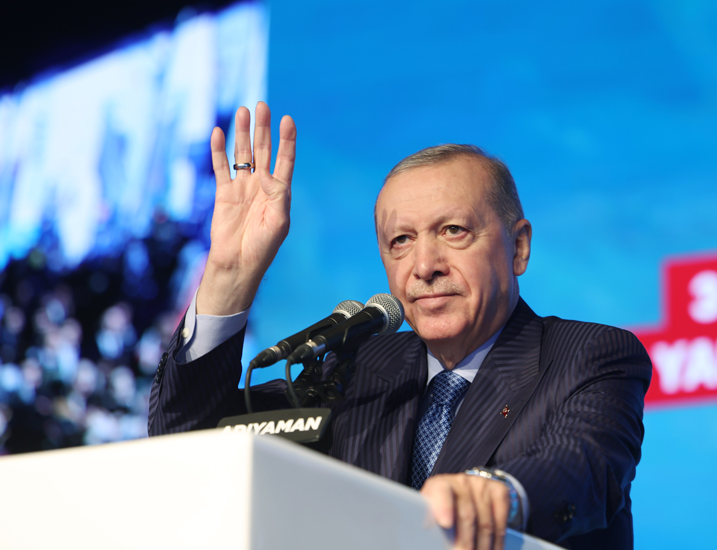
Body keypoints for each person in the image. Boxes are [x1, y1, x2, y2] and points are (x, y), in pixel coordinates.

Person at [148, 102, 651, 550]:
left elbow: (582, 464)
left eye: (453, 231)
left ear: (517, 247)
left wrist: (496, 494)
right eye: (401, 241)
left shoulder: (590, 354)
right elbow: (187, 439)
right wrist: (229, 275)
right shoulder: (358, 368)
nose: (424, 265)